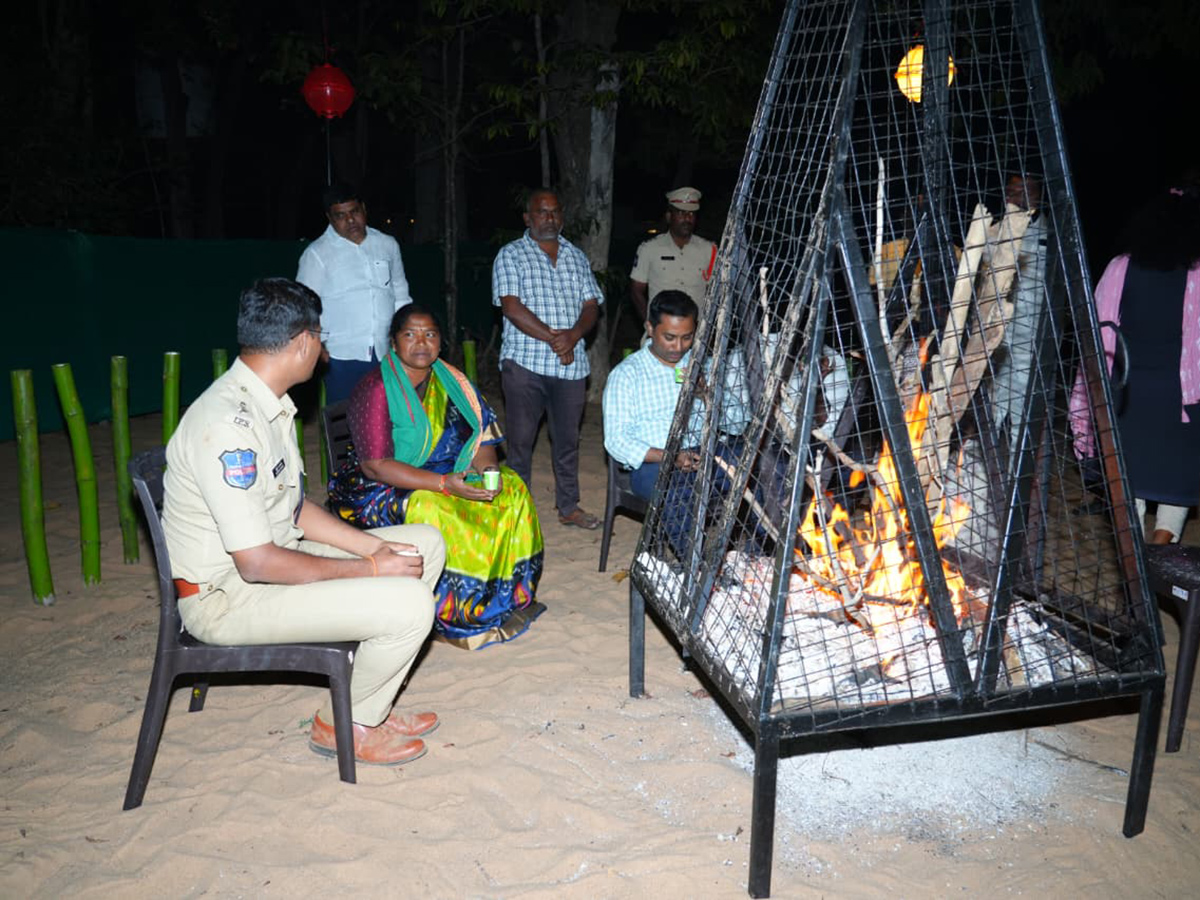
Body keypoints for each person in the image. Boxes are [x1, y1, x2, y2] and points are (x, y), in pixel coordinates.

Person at [163, 278, 444, 767]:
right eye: (321, 336)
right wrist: (369, 571)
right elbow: (255, 563)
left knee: (424, 544)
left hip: (273, 559)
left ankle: (366, 706)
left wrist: (371, 550)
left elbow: (294, 510)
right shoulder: (227, 424)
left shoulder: (270, 404)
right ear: (301, 344)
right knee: (411, 603)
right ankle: (345, 725)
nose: (325, 348)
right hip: (227, 597)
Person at [327, 304, 546, 649]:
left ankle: (503, 599)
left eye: (429, 334)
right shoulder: (376, 388)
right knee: (435, 507)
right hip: (378, 488)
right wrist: (445, 485)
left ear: (441, 342)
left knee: (513, 489)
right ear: (394, 343)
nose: (420, 343)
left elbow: (480, 435)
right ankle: (453, 611)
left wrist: (488, 470)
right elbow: (375, 465)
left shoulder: (452, 380)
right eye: (410, 334)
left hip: (445, 474)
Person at [1069, 184, 1200, 543]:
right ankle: (1158, 554)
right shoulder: (1197, 274)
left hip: (1127, 394)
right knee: (1176, 478)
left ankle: (1135, 565)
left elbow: (1094, 331)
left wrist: (1087, 397)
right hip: (1181, 400)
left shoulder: (1120, 267)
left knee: (1130, 480)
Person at [492, 188, 604, 530]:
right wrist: (557, 338)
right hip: (525, 363)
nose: (549, 218)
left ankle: (568, 507)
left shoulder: (576, 256)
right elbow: (511, 307)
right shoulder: (511, 255)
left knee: (567, 441)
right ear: (528, 218)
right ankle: (518, 511)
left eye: (555, 212)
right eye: (541, 212)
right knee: (521, 441)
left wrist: (573, 336)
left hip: (571, 366)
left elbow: (591, 305)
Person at [603, 290, 740, 559]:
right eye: (670, 337)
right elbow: (616, 441)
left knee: (762, 467)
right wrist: (672, 457)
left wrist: (707, 395)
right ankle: (693, 567)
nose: (678, 347)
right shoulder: (627, 374)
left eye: (687, 337)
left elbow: (737, 424)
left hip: (705, 454)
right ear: (650, 328)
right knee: (678, 491)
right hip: (655, 464)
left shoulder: (703, 367)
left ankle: (759, 556)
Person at [296, 182, 412, 403]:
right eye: (340, 215)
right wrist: (316, 347)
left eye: (354, 212)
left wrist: (406, 339)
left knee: (387, 421)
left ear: (364, 209)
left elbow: (400, 294)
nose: (350, 221)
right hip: (341, 356)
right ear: (329, 218)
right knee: (345, 426)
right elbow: (304, 307)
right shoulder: (317, 254)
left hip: (386, 352)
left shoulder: (387, 245)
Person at [991, 173, 1048, 464]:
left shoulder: (1050, 233)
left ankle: (1017, 461)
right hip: (996, 329)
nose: (1016, 196)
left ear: (1037, 195)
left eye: (1023, 191)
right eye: (1011, 191)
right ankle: (987, 453)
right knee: (994, 393)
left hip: (1031, 329)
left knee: (1022, 394)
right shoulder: (994, 230)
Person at [630, 187, 718, 321]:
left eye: (691, 214)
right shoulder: (649, 249)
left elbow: (717, 293)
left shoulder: (709, 250)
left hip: (696, 333)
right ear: (669, 216)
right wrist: (650, 324)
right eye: (681, 213)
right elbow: (636, 290)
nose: (687, 218)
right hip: (661, 333)